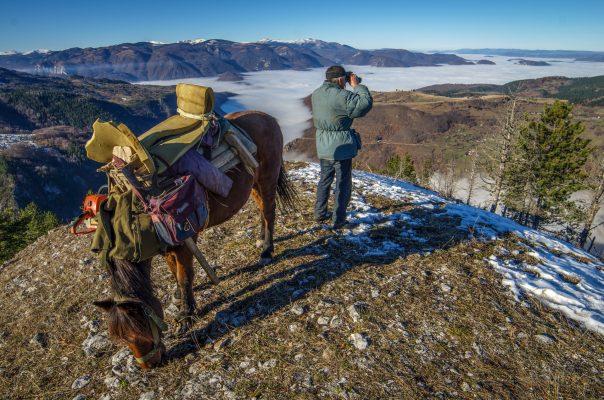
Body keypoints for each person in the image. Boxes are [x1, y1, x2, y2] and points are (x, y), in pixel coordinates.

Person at [311, 65, 373, 229]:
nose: (345, 82)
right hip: (341, 145)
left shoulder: (316, 93)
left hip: (323, 143)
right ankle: (339, 220)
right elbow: (364, 105)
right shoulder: (342, 95)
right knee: (343, 183)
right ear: (339, 79)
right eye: (344, 79)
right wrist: (357, 86)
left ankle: (320, 213)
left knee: (325, 179)